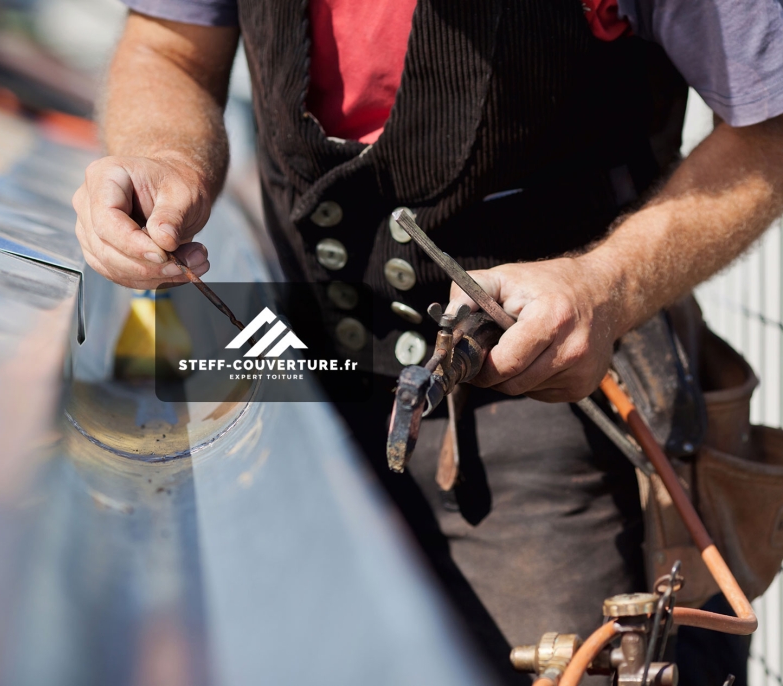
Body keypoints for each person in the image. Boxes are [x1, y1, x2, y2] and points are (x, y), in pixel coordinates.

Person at [73, 1, 783, 683]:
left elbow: (769, 131)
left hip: (549, 400)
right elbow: (168, 50)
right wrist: (164, 156)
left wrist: (605, 285)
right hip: (301, 363)